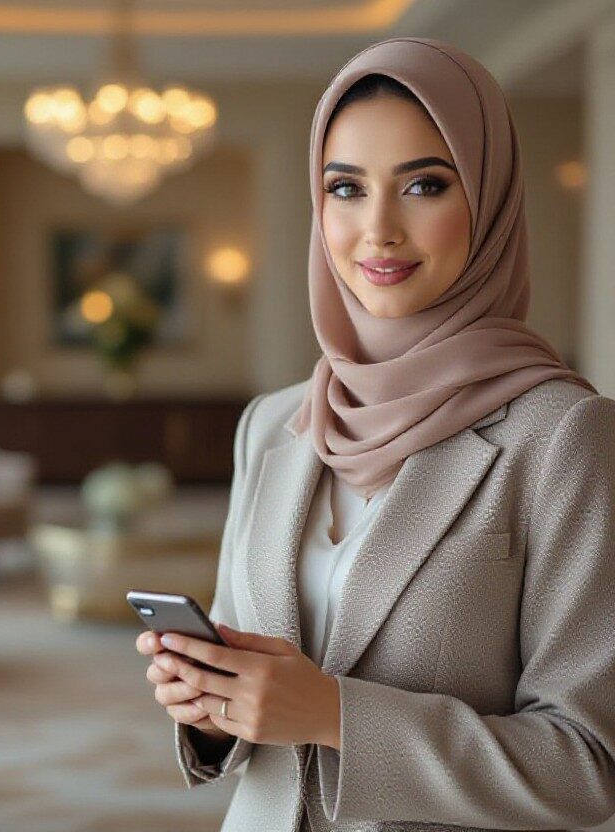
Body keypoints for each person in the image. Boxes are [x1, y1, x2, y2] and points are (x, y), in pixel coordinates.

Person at [136, 36, 615, 832]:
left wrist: (335, 715)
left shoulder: (565, 436)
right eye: (346, 188)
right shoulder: (273, 424)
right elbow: (252, 686)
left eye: (424, 184)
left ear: (490, 201)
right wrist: (211, 707)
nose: (378, 229)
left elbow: (590, 764)